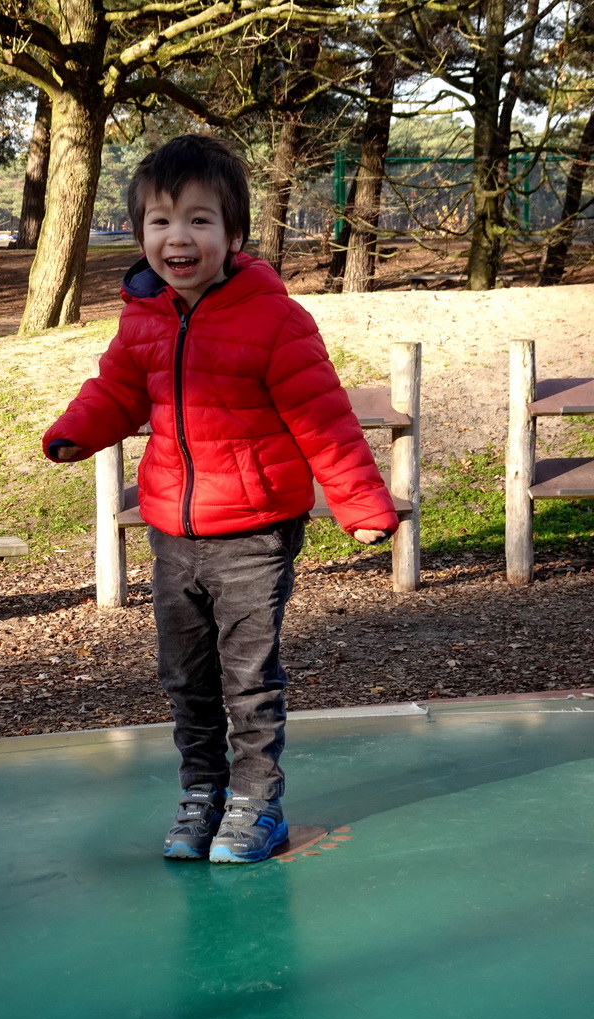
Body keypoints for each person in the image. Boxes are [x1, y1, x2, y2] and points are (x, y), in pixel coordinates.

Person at [42, 134, 398, 864]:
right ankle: (202, 793)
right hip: (172, 528)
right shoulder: (142, 317)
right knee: (185, 675)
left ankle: (256, 804)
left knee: (247, 676)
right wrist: (77, 431)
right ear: (141, 234)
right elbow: (115, 390)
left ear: (233, 236)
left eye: (200, 220)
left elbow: (323, 419)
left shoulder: (274, 320)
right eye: (162, 221)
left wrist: (361, 506)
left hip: (256, 531)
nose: (180, 237)